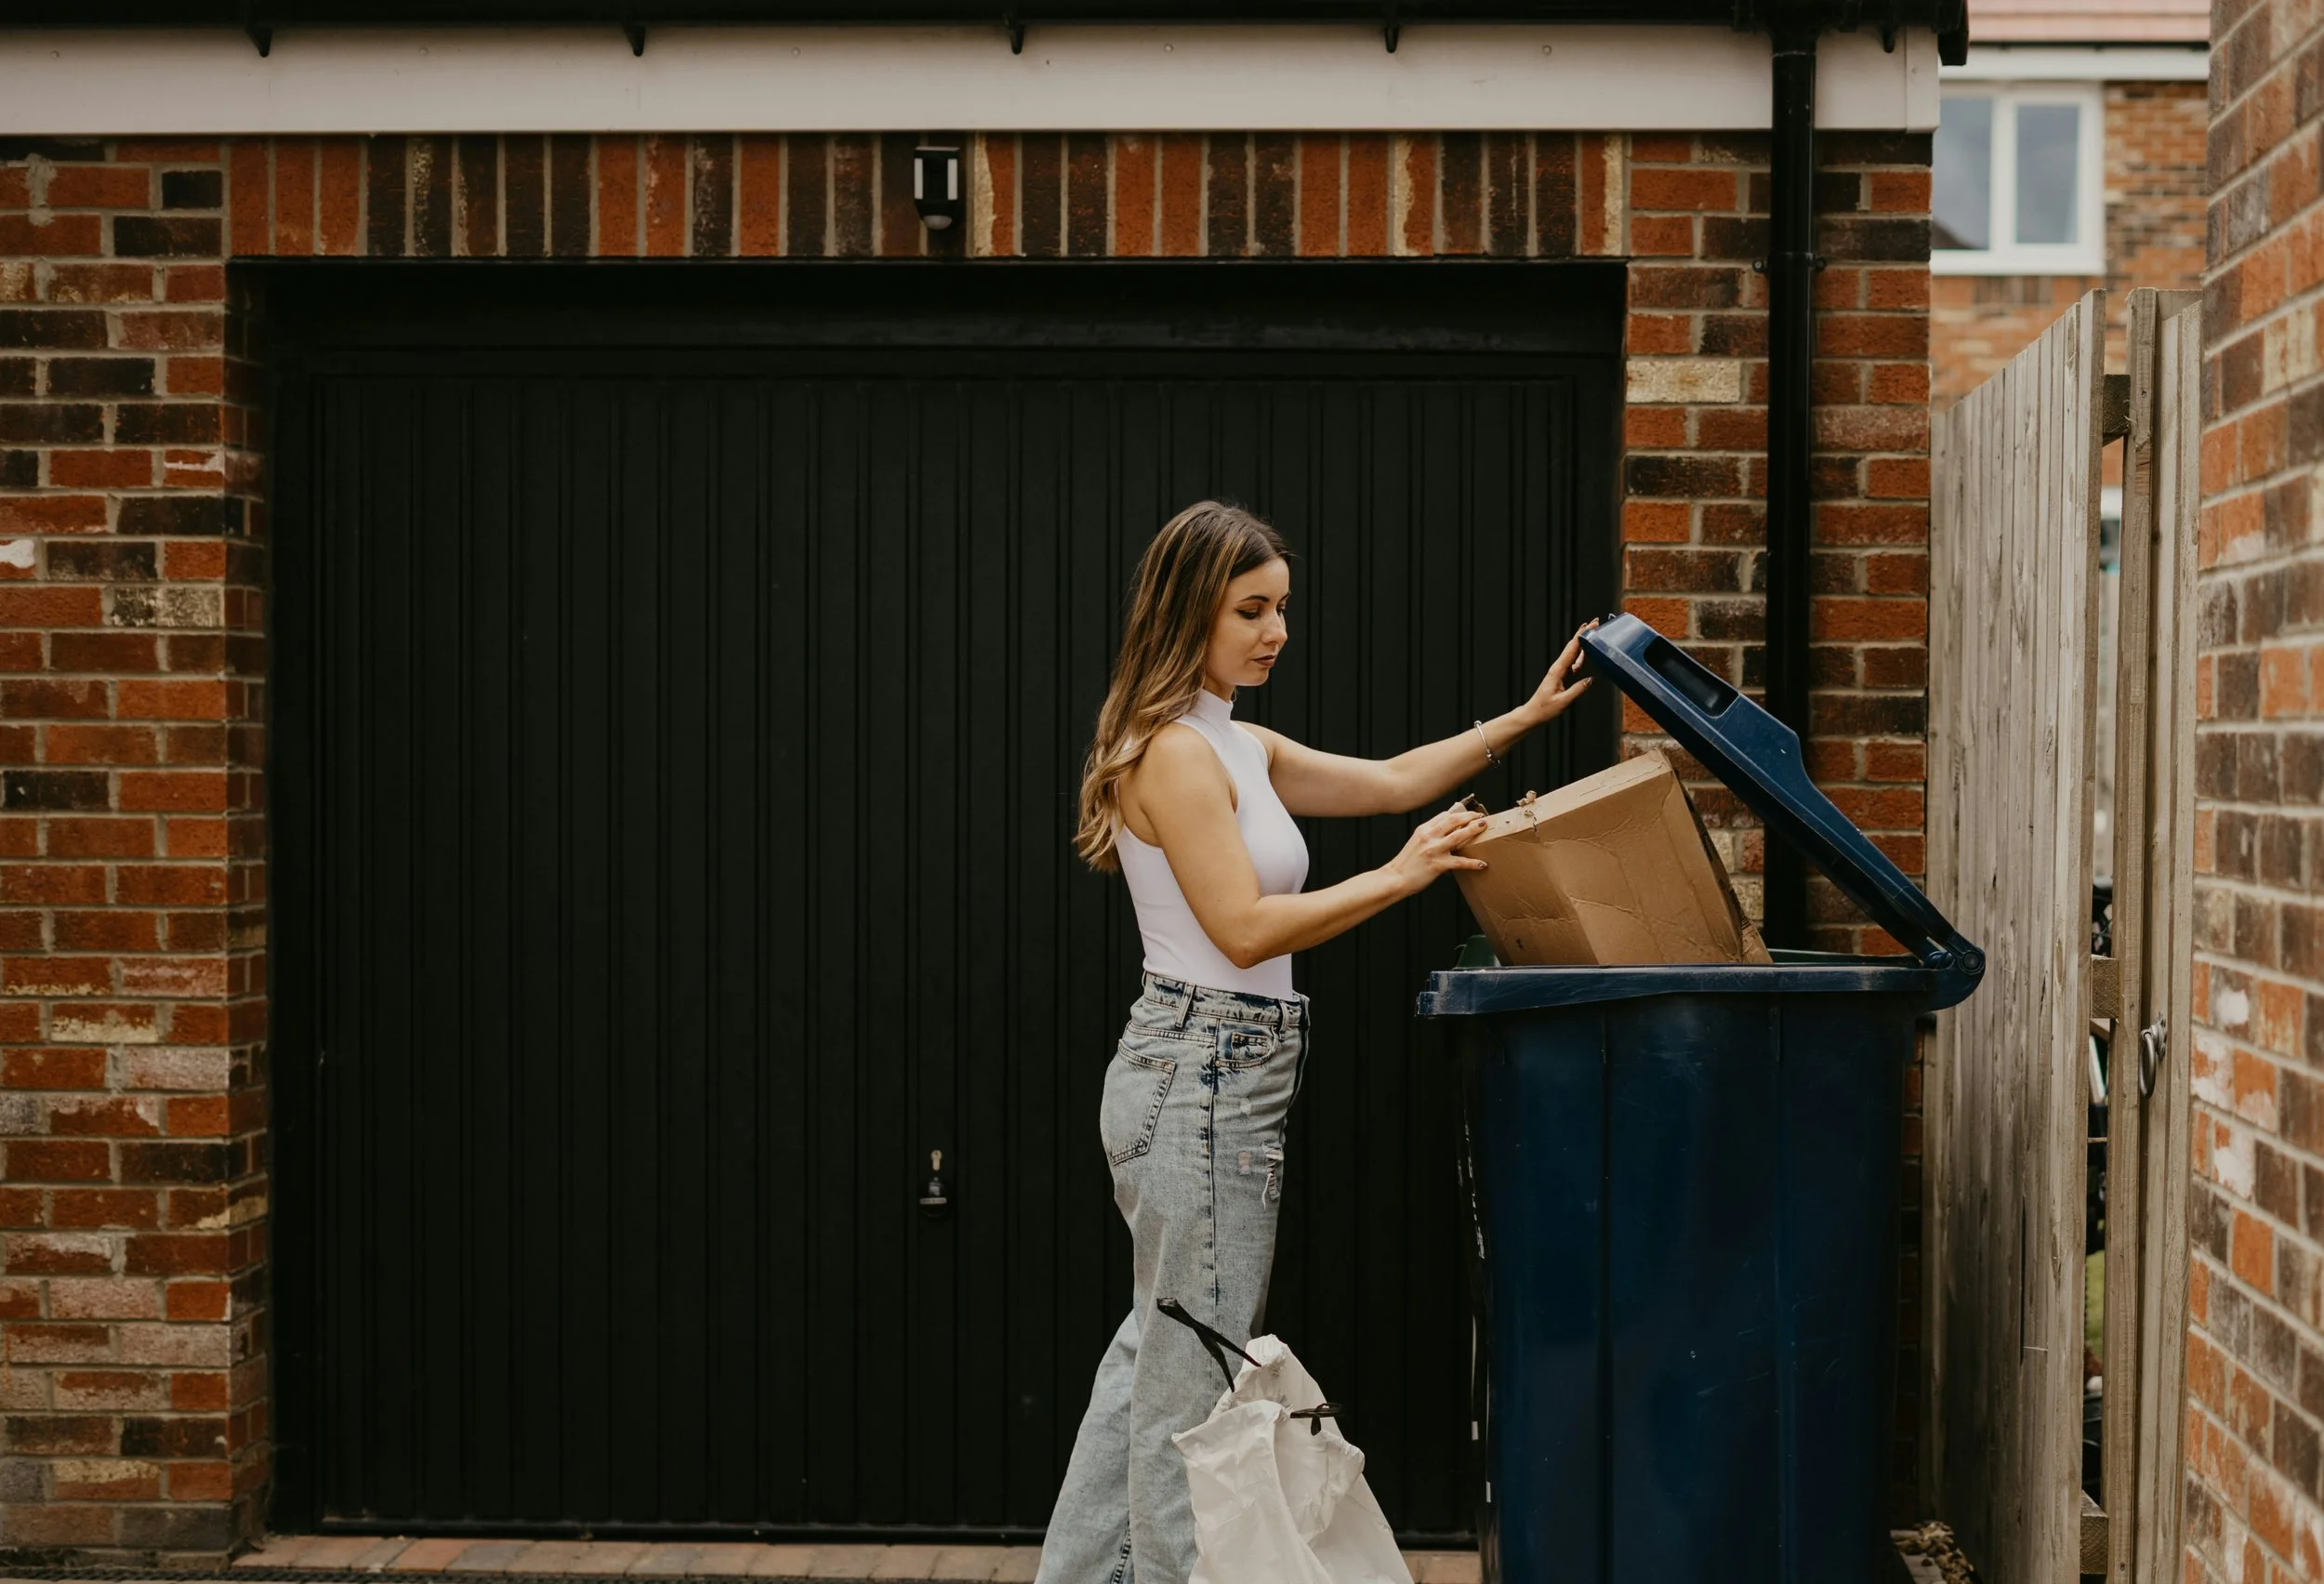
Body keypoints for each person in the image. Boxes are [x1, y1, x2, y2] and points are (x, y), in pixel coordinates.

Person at [1037, 499, 1596, 1584]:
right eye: (1250, 609)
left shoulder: (1237, 742)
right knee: (1192, 1378)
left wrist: (1523, 719)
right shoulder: (1174, 758)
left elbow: (1389, 782)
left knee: (1154, 1356)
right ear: (1187, 608)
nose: (1274, 631)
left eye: (1281, 608)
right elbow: (1242, 928)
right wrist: (1404, 873)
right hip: (1199, 1073)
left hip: (1213, 1073)